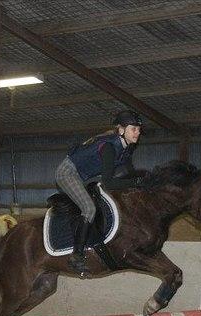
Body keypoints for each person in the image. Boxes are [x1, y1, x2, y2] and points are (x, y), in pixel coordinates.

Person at [55, 109, 147, 273]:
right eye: (133, 128)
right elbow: (110, 182)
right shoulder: (109, 148)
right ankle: (76, 255)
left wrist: (144, 181)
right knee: (89, 208)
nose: (137, 132)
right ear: (121, 130)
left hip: (82, 177)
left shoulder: (126, 149)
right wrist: (137, 182)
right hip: (66, 173)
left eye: (139, 129)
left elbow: (129, 173)